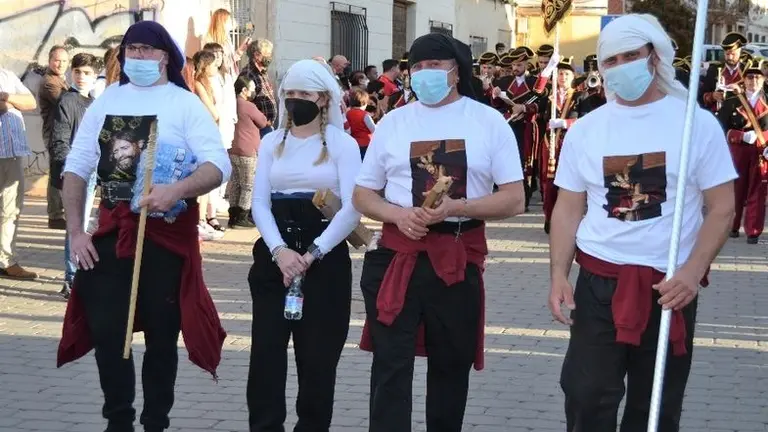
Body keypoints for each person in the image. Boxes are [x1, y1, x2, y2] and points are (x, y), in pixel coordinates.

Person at [548, 14, 737, 431]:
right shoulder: (586, 131)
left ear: (653, 56)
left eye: (630, 56)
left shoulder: (695, 125)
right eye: (610, 60)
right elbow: (567, 208)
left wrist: (692, 272)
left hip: (669, 286)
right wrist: (559, 274)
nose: (620, 67)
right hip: (599, 283)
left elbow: (722, 206)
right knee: (585, 396)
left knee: (655, 409)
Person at [56, 21, 230, 432]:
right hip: (113, 229)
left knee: (161, 333)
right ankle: (118, 419)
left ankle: (156, 421)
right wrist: (76, 232)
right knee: (107, 329)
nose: (137, 56)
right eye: (131, 49)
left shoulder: (184, 105)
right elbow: (77, 167)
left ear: (165, 57)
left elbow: (218, 165)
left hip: (165, 236)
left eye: (147, 50)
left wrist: (178, 190)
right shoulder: (107, 101)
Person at [352, 33, 525, 432]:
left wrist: (457, 207)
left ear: (456, 71)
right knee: (390, 367)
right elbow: (363, 193)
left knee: (451, 365)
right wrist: (397, 215)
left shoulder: (487, 121)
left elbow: (514, 198)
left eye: (434, 65)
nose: (424, 73)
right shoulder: (394, 122)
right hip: (397, 255)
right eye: (417, 66)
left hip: (457, 257)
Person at [247, 59, 361, 431]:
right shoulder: (271, 143)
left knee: (317, 359)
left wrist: (312, 254)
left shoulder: (343, 145)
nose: (295, 100)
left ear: (323, 98)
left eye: (304, 94)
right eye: (290, 93)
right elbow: (259, 203)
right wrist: (279, 252)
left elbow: (352, 208)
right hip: (275, 254)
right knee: (266, 354)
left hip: (324, 257)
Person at [51, 52, 99, 299]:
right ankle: (71, 279)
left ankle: (76, 275)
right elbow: (60, 138)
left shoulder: (94, 103)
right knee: (75, 225)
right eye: (77, 72)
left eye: (87, 73)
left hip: (92, 172)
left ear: (95, 76)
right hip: (75, 173)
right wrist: (67, 170)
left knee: (81, 223)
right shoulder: (67, 101)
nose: (81, 77)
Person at [717, 59, 768, 244]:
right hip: (738, 151)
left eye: (757, 77)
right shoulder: (732, 101)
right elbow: (720, 128)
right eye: (750, 77)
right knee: (736, 190)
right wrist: (740, 136)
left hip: (761, 151)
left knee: (758, 190)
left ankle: (753, 231)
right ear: (744, 80)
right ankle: (733, 225)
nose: (753, 80)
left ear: (763, 80)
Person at [0, 68, 39, 280]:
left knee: (11, 210)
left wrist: (6, 98)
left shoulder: (7, 75)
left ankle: (6, 261)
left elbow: (30, 102)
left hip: (12, 154)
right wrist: (12, 103)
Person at [539, 56, 582, 234]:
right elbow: (537, 91)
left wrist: (565, 123)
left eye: (566, 74)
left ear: (573, 77)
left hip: (569, 144)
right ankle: (549, 217)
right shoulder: (549, 96)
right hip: (550, 144)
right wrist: (548, 69)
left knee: (568, 182)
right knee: (548, 183)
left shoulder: (579, 96)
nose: (563, 77)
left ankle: (567, 218)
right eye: (560, 74)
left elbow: (585, 119)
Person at [192, 50, 226, 239]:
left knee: (206, 183)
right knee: (202, 179)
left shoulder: (209, 83)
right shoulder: (198, 83)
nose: (216, 68)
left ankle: (202, 219)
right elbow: (213, 112)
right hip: (202, 135)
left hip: (208, 133)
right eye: (212, 65)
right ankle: (199, 220)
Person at [229, 76, 268, 229]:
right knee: (248, 184)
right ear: (244, 90)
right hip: (248, 150)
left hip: (233, 147)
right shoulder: (248, 105)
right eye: (251, 89)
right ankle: (242, 216)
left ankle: (233, 215)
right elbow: (263, 122)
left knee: (236, 183)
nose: (253, 92)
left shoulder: (231, 103)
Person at [38, 45, 70, 229]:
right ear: (50, 61)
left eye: (64, 61)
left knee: (60, 172)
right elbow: (66, 102)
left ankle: (58, 213)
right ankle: (55, 216)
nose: (60, 64)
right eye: (57, 60)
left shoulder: (60, 79)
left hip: (62, 133)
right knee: (57, 173)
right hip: (54, 134)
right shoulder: (49, 82)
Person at [700, 32, 748, 114]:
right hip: (719, 114)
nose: (730, 57)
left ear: (740, 52)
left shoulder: (747, 70)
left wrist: (741, 91)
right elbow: (702, 95)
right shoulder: (713, 70)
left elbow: (757, 95)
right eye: (727, 54)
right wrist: (713, 96)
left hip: (742, 116)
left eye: (733, 54)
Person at [240, 39, 277, 137]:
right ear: (257, 55)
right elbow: (245, 103)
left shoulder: (262, 72)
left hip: (266, 126)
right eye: (267, 54)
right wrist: (262, 120)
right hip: (258, 129)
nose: (270, 57)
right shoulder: (248, 74)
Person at [202, 8, 251, 77]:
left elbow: (230, 59)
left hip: (229, 76)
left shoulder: (227, 38)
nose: (231, 24)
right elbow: (220, 63)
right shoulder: (209, 40)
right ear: (222, 23)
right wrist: (238, 52)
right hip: (218, 77)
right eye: (229, 21)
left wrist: (242, 48)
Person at [345, 88, 375, 158]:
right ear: (364, 103)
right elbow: (373, 129)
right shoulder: (365, 115)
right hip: (366, 143)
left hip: (353, 142)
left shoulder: (348, 113)